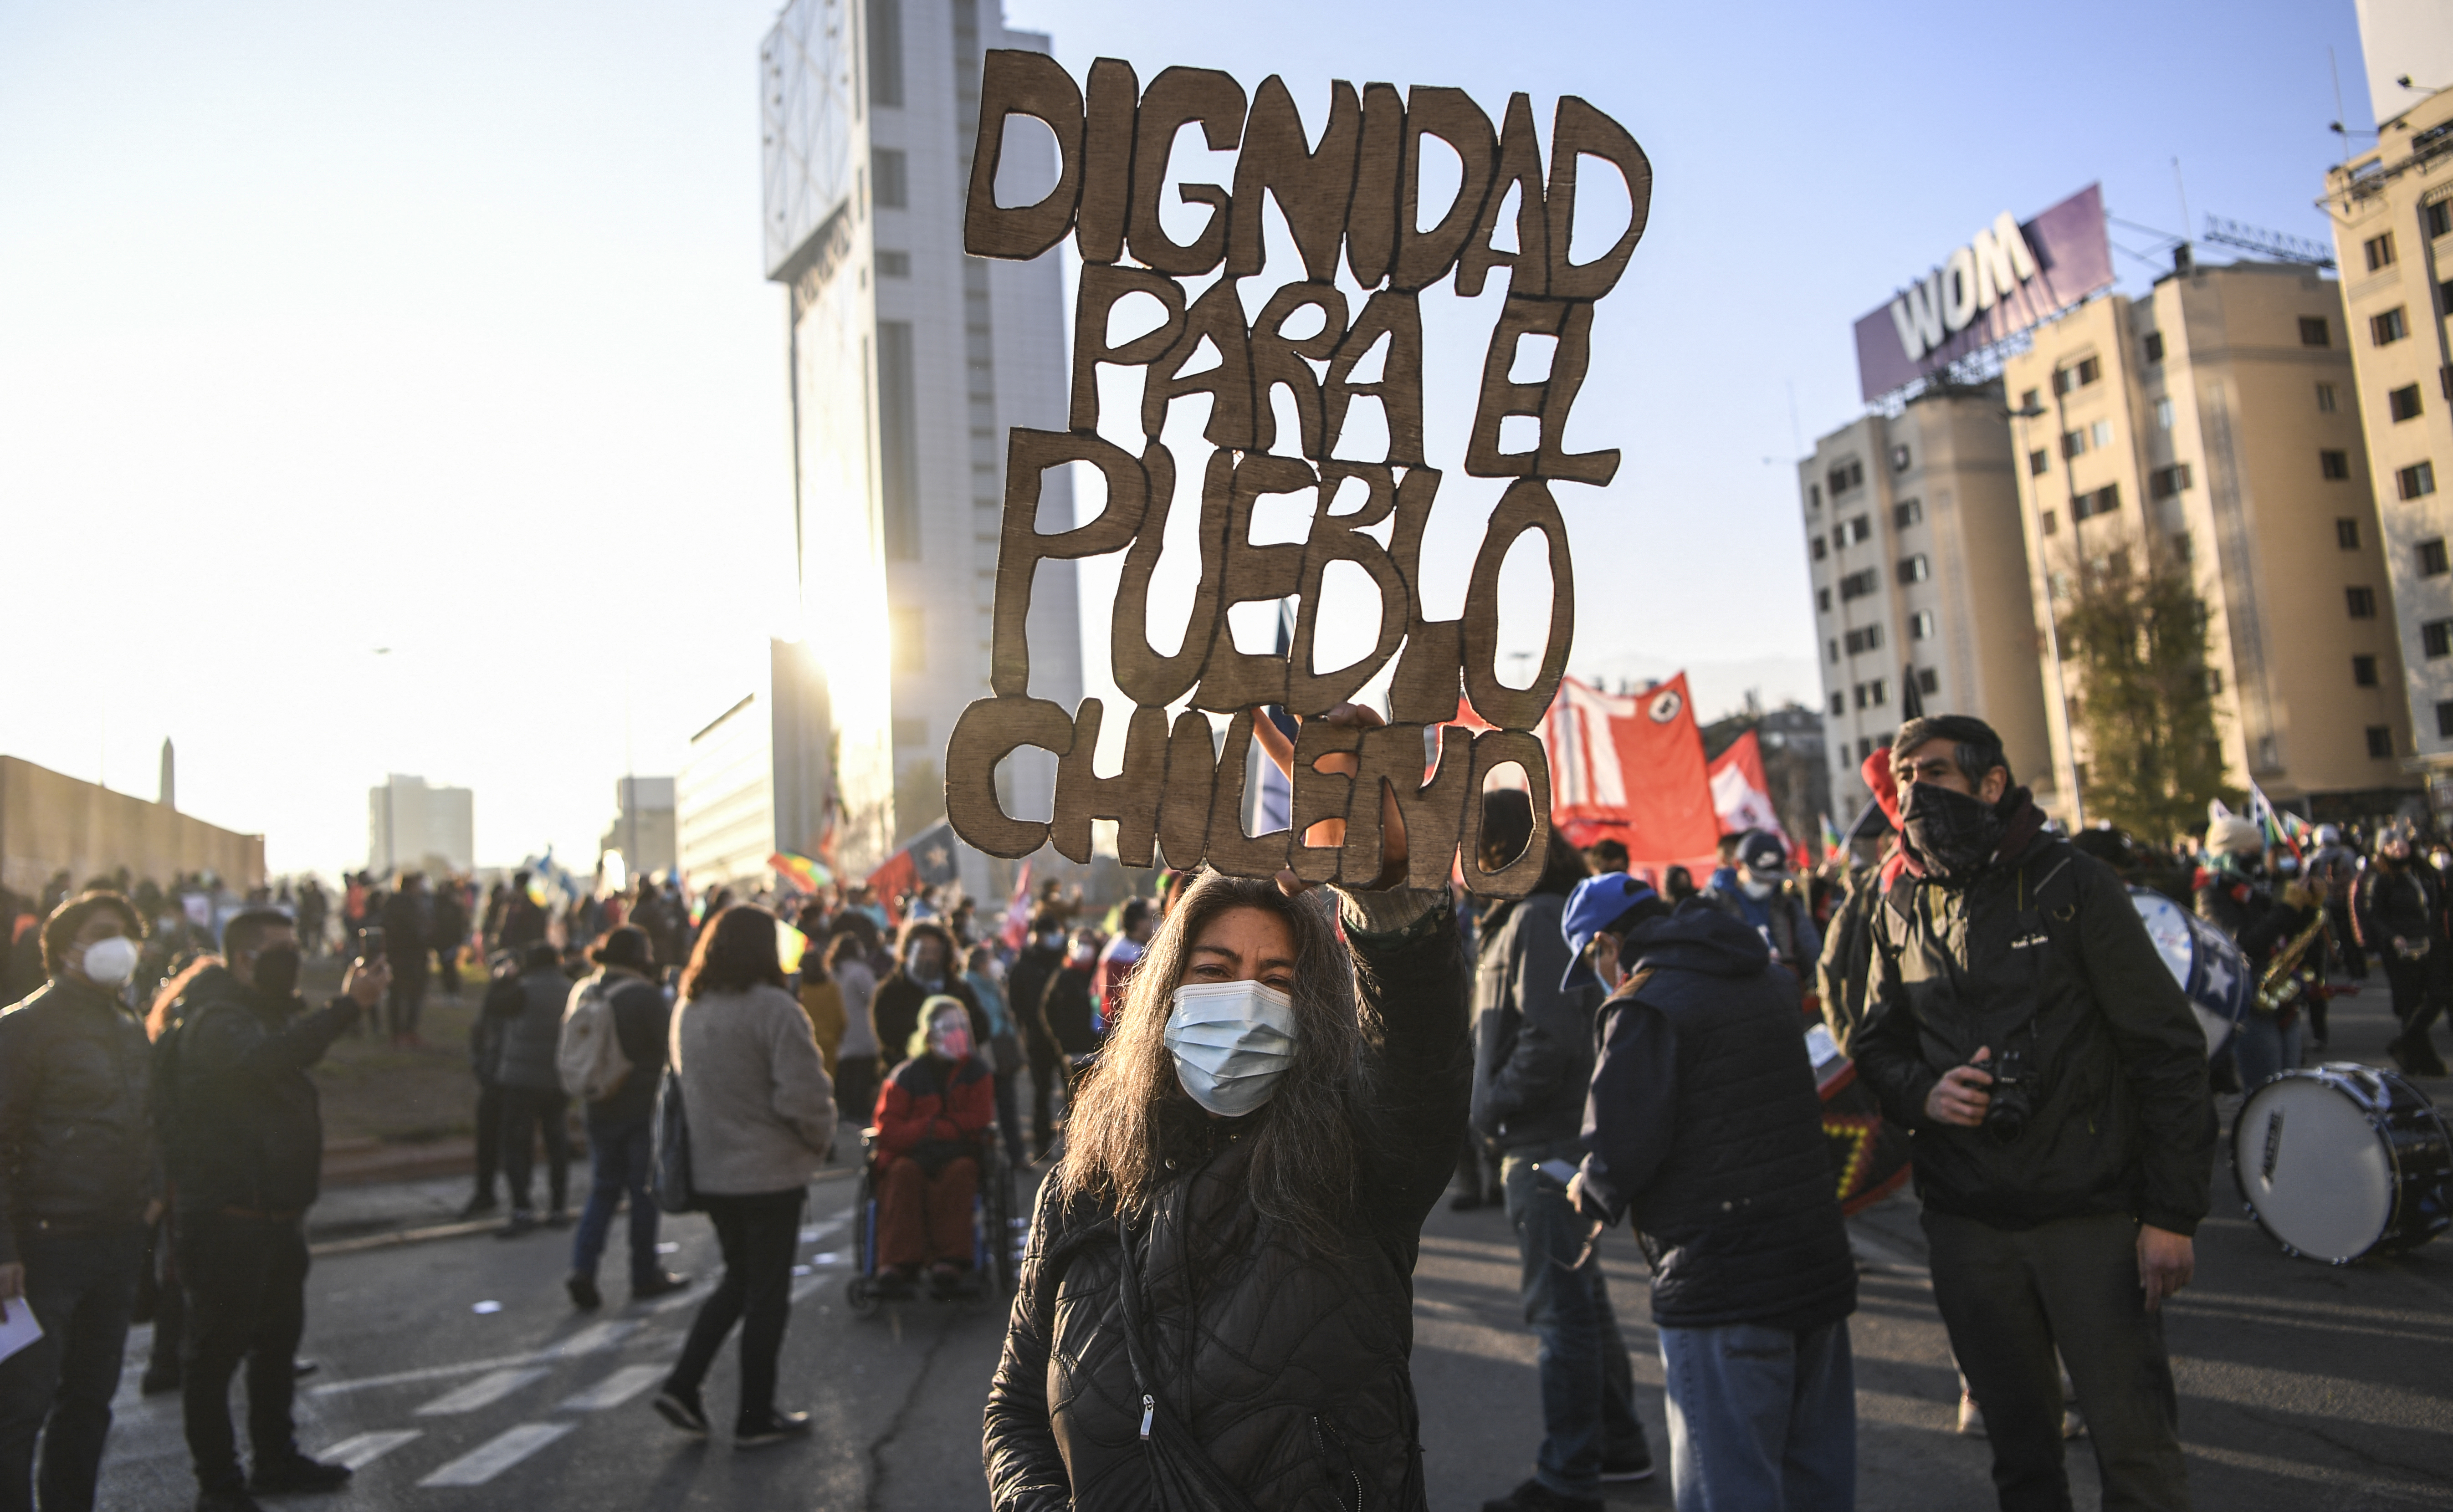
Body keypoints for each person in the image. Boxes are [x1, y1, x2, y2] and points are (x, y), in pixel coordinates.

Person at [982, 704, 1469, 1510]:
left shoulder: (1357, 1165)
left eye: (1277, 980)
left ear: (1313, 1007)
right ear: (1164, 999)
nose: (1245, 999)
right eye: (1215, 969)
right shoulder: (1079, 1196)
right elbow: (1016, 1411)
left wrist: (1390, 902)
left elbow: (1421, 1070)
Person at [1852, 715, 2213, 1512]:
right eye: (1903, 775)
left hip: (2087, 1220)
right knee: (2021, 1460)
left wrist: (2171, 1215)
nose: (1912, 791)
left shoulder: (2074, 884)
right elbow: (1874, 1046)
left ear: (1990, 784)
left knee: (2137, 1457)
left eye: (1934, 773)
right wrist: (1925, 1092)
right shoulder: (1896, 903)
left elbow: (2168, 1051)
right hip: (1966, 1225)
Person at [1565, 878, 1857, 1512]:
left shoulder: (1644, 1007)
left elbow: (1619, 1153)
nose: (1600, 977)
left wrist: (1586, 1188)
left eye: (1593, 961)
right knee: (1819, 1482)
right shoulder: (1766, 975)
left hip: (1720, 1279)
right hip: (1815, 1265)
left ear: (1607, 943)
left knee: (1729, 1490)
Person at [159, 907, 385, 1511]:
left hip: (277, 1217)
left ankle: (276, 1460)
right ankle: (220, 1485)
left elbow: (287, 1050)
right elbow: (267, 1060)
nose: (293, 959)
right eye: (280, 950)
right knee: (214, 1358)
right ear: (242, 959)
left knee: (277, 1348)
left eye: (295, 946)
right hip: (229, 1219)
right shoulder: (217, 1022)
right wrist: (347, 1006)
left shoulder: (259, 1014)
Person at [1466, 800, 1654, 1512]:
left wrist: (1492, 1106)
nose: (1459, 861)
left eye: (1467, 844)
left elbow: (1552, 1039)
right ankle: (1619, 1450)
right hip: (1545, 1140)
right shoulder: (1526, 916)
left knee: (1560, 1317)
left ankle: (1569, 1477)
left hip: (1542, 1144)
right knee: (1583, 1306)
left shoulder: (1537, 917)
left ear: (1501, 849)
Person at [652, 905, 835, 1448]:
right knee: (767, 1295)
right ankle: (755, 1414)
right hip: (769, 1172)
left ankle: (683, 1383)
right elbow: (802, 1094)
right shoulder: (775, 1008)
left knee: (738, 1279)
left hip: (713, 1171)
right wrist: (819, 1137)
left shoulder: (690, 1006)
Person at [0, 892, 154, 1512]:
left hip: (115, 1245)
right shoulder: (22, 1028)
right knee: (19, 1409)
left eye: (127, 934)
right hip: (41, 1252)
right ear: (65, 948)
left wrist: (150, 1198)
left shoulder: (126, 1026)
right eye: (105, 932)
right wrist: (4, 1247)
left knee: (90, 1403)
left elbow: (145, 1120)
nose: (120, 944)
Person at [564, 927, 687, 1310]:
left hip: (598, 1103)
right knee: (642, 1192)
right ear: (638, 957)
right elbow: (672, 1046)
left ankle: (583, 1268)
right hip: (640, 1105)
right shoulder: (644, 997)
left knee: (603, 1188)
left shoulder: (586, 990)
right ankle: (643, 1272)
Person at [872, 996, 996, 1298]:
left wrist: (938, 1128)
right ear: (929, 1034)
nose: (958, 1034)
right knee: (901, 1174)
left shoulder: (977, 1072)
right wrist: (926, 1129)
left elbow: (980, 1118)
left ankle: (950, 1260)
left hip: (958, 1153)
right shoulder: (905, 1075)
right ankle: (899, 1262)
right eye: (949, 1027)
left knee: (961, 1174)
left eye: (961, 1027)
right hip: (913, 1153)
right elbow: (887, 1128)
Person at [488, 942, 574, 1235]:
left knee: (518, 1144)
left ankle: (523, 1208)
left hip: (520, 1079)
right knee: (557, 1140)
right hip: (557, 1077)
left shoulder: (522, 989)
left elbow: (493, 1008)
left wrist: (502, 980)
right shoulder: (570, 990)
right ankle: (559, 1206)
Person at [2354, 830, 2449, 1076]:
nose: (2398, 847)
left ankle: (2406, 1043)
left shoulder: (2423, 871)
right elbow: (2374, 913)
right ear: (2382, 850)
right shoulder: (2381, 878)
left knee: (2439, 994)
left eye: (2401, 842)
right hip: (2402, 949)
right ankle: (2420, 1060)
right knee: (2411, 1002)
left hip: (2431, 942)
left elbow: (2438, 903)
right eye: (2390, 844)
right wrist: (2392, 937)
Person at [870, 920, 982, 1073]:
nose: (929, 958)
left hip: (957, 1077)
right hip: (912, 1081)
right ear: (908, 952)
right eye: (923, 951)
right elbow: (890, 1040)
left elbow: (980, 1027)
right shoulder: (890, 992)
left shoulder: (958, 989)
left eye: (935, 952)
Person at [1706, 828, 1820, 976]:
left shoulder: (1784, 902)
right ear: (1738, 865)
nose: (1767, 885)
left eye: (1772, 880)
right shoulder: (1712, 905)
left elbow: (1810, 948)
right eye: (1760, 878)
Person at [1006, 914, 1067, 1159]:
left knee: (1073, 1092)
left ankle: (1079, 1146)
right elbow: (1016, 1002)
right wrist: (1029, 1026)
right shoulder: (1024, 965)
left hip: (1065, 1039)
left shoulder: (1064, 960)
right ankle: (1041, 1145)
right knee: (1041, 1093)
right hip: (1037, 1039)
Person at [963, 944, 1028, 1164]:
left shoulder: (993, 984)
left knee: (1008, 1104)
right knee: (984, 1107)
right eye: (990, 960)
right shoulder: (967, 986)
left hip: (1003, 1050)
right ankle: (987, 1157)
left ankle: (1016, 1154)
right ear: (981, 964)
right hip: (984, 1051)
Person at [824, 930, 881, 1132]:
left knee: (846, 1073)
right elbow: (872, 996)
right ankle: (860, 1114)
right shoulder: (860, 972)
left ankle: (846, 1111)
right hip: (861, 1029)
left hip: (840, 1030)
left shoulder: (832, 972)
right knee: (862, 1073)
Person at [1092, 899, 1152, 1033]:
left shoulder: (1144, 945)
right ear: (1139, 923)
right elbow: (1112, 999)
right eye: (1151, 917)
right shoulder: (1117, 954)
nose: (1155, 922)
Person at [429, 878, 469, 999]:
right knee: (446, 968)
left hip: (451, 941)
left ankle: (453, 992)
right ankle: (450, 992)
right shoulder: (439, 904)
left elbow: (461, 923)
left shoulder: (454, 905)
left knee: (450, 968)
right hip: (444, 941)